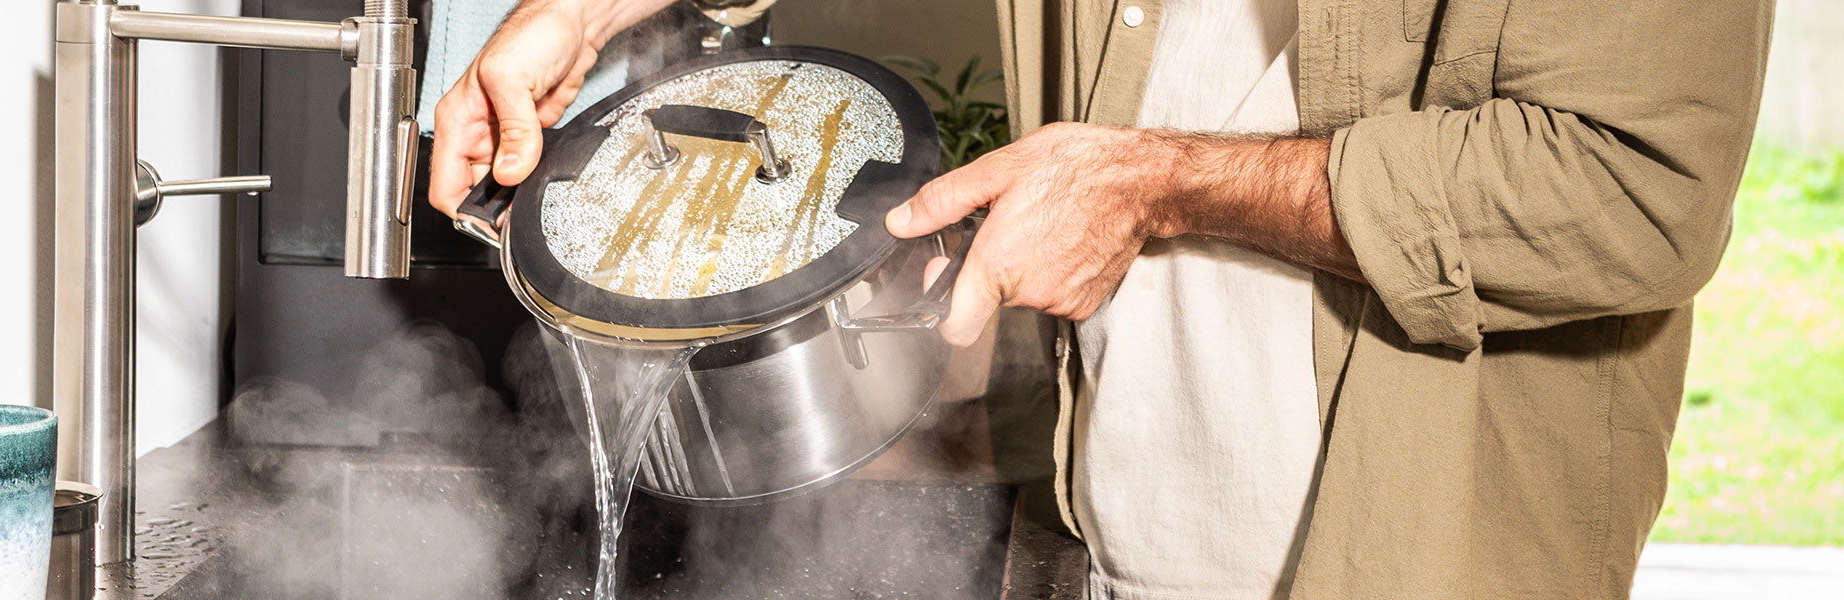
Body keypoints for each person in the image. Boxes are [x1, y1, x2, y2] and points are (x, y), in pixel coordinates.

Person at [429, 1, 1774, 598]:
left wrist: (1160, 185)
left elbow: (1633, 189)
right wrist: (598, 7)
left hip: (1416, 560)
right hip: (1106, 537)